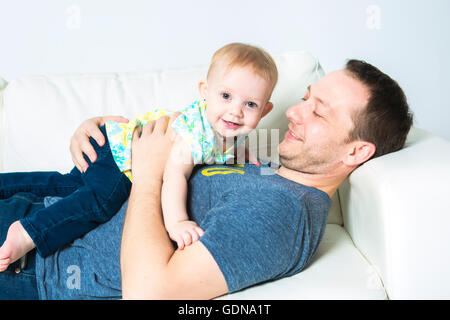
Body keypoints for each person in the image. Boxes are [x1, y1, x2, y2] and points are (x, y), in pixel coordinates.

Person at [0, 59, 413, 299]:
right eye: (305, 97)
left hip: (34, 267)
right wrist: (107, 135)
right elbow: (189, 138)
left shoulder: (283, 212)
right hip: (45, 207)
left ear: (356, 151)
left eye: (319, 112)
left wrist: (147, 173)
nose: (293, 111)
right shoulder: (263, 168)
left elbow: (149, 293)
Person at [0, 42, 277, 272]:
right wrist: (177, 222)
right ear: (205, 92)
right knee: (100, 202)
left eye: (250, 104)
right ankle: (28, 233)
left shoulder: (229, 130)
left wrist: (244, 154)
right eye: (226, 96)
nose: (236, 111)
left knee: (66, 186)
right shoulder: (196, 136)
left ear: (264, 111)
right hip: (124, 158)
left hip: (115, 144)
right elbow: (174, 176)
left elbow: (227, 146)